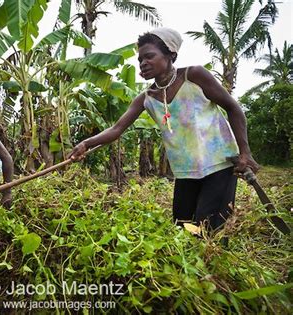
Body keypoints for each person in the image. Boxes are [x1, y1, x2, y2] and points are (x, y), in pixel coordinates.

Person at [70, 27, 259, 232]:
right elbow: (116, 129)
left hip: (219, 164)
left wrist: (245, 152)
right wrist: (85, 144)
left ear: (171, 55)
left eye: (149, 56)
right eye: (140, 59)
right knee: (182, 228)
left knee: (210, 229)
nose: (143, 63)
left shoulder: (194, 76)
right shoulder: (147, 98)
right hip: (186, 172)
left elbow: (233, 108)